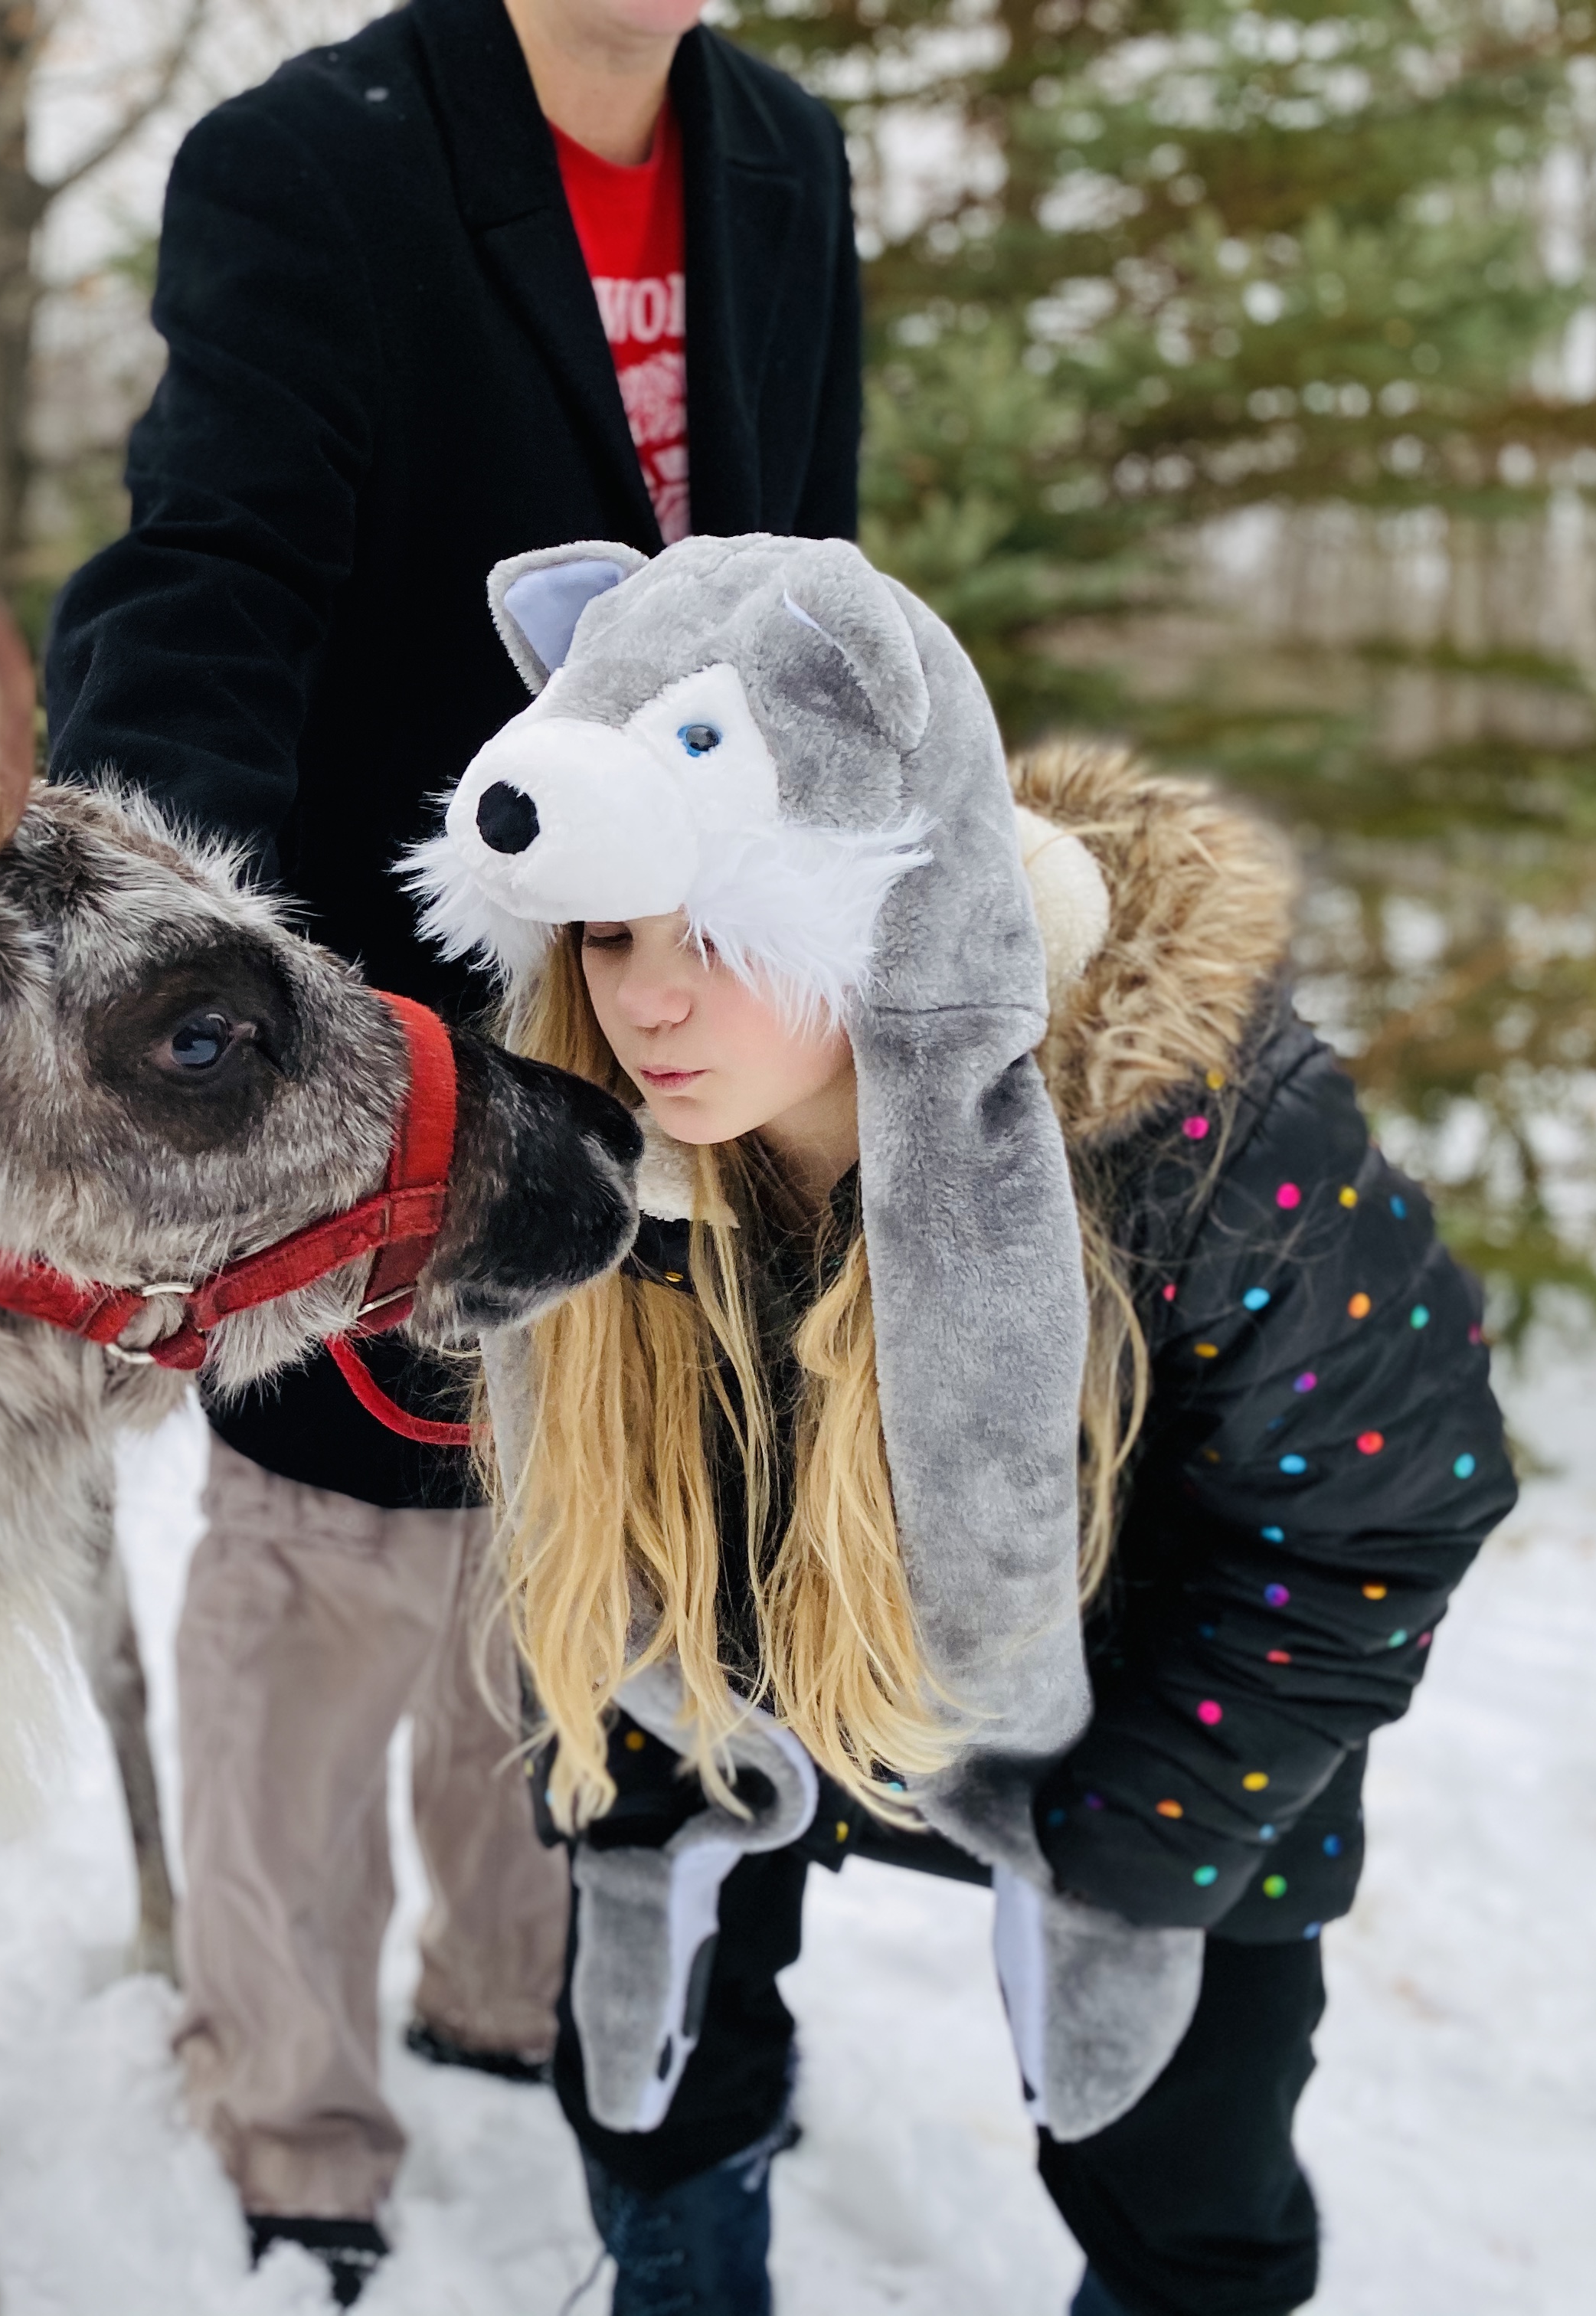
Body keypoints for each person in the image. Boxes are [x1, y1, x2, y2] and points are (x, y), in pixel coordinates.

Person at [416, 530, 1513, 2316]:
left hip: (1149, 1708)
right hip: (745, 1666)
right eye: (610, 935)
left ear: (877, 903)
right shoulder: (608, 1139)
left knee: (1182, 2162)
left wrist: (1145, 1837)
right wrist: (615, 1732)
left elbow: (1385, 1515)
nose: (648, 1000)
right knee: (642, 2071)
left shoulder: (1207, 1144)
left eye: (716, 932)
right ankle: (682, 2267)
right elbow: (577, 1507)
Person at [40, 1, 859, 2298]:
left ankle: (514, 1995)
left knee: (578, 1527)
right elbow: (211, 565)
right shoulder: (314, 160)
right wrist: (145, 917)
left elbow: (824, 595)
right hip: (378, 1007)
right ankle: (291, 2108)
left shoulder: (780, 157)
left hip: (675, 1000)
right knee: (328, 1570)